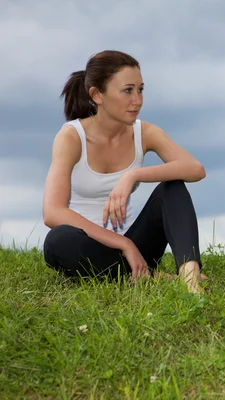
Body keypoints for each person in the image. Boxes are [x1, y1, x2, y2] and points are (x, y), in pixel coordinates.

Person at [42, 50, 207, 293]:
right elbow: (52, 213)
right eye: (128, 90)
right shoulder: (71, 136)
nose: (137, 100)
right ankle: (148, 276)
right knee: (58, 240)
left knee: (172, 187)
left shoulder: (145, 132)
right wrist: (124, 244)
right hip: (90, 246)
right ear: (97, 95)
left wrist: (133, 175)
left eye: (140, 90)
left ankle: (190, 278)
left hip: (139, 247)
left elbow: (196, 169)